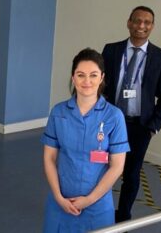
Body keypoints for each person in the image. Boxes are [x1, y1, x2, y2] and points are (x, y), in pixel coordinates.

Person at [42, 48, 129, 232]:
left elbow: (117, 166)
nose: (87, 81)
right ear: (73, 78)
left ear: (102, 77)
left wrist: (89, 200)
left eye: (93, 75)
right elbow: (49, 158)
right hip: (61, 202)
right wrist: (58, 197)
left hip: (97, 206)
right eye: (80, 75)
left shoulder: (114, 116)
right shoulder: (58, 112)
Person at [101, 5, 161, 223]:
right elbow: (100, 87)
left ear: (152, 26)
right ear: (129, 23)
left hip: (139, 127)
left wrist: (152, 127)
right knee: (101, 168)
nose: (141, 26)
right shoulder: (111, 50)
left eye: (147, 22)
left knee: (131, 175)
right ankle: (98, 211)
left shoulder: (160, 56)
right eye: (137, 21)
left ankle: (123, 217)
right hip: (110, 123)